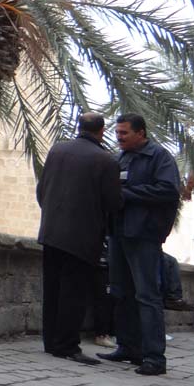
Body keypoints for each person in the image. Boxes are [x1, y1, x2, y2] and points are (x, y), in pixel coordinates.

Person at [97, 113, 180, 376]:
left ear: (140, 133)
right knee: (121, 293)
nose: (119, 137)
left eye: (124, 133)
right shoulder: (121, 158)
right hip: (118, 233)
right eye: (117, 133)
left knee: (147, 296)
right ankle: (128, 347)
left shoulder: (159, 157)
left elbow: (168, 190)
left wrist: (127, 194)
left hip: (144, 235)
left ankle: (154, 357)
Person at [36, 112, 121, 365]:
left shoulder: (57, 150)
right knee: (74, 292)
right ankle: (67, 346)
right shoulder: (106, 160)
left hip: (51, 231)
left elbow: (42, 189)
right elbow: (113, 202)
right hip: (83, 236)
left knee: (52, 289)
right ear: (101, 131)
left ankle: (51, 342)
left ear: (79, 127)